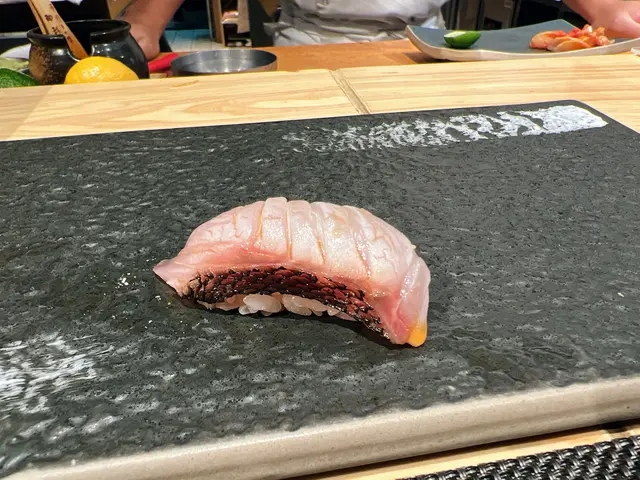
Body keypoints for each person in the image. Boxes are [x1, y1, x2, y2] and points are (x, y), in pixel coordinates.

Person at [120, 0, 640, 60]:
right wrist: (144, 22)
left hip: (427, 48)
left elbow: (609, 10)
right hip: (311, 46)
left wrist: (610, 10)